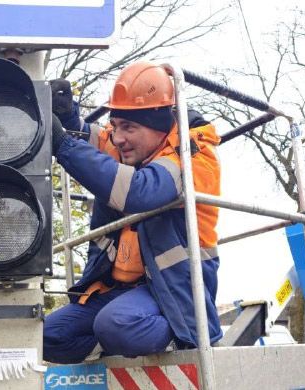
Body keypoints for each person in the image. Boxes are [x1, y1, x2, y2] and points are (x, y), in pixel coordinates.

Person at [44, 60, 223, 364]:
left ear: (159, 126)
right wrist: (67, 116)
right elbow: (97, 142)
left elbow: (141, 191)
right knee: (47, 336)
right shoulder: (136, 149)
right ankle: (119, 342)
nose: (118, 137)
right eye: (116, 126)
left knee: (115, 324)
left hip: (172, 288)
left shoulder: (193, 156)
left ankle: (185, 331)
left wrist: (61, 145)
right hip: (121, 291)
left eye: (128, 127)